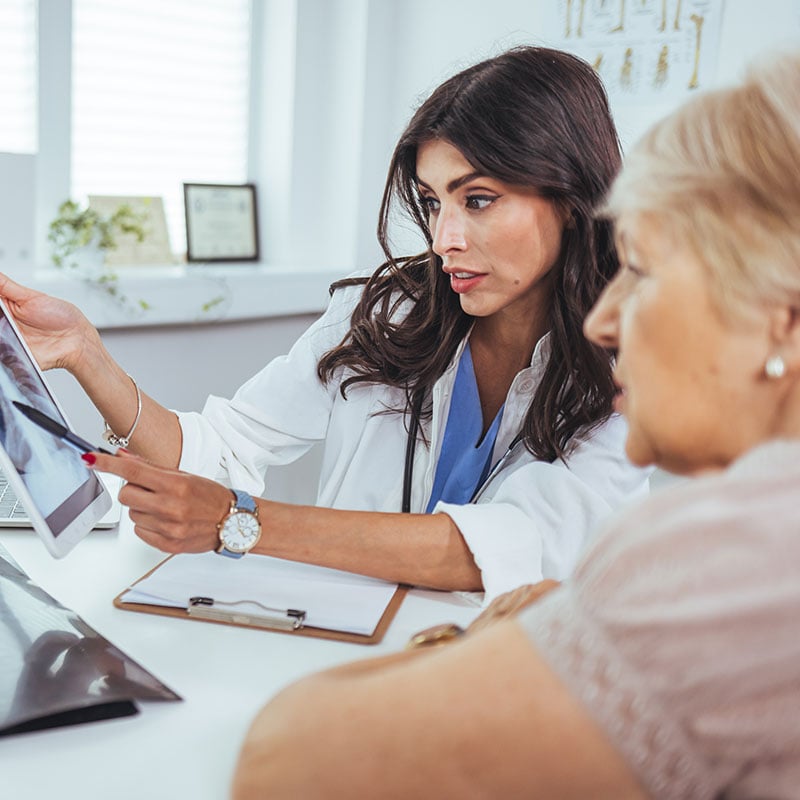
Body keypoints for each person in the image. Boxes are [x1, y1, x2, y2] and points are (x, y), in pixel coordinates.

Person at [229, 52, 800, 799]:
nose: (606, 319)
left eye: (642, 271)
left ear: (782, 318)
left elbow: (290, 760)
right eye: (433, 202)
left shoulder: (732, 555)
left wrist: (490, 644)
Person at [0, 46, 648, 597]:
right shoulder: (386, 311)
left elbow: (504, 545)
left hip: (504, 672)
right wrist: (86, 352)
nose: (444, 238)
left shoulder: (636, 366)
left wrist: (239, 522)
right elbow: (222, 450)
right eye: (431, 202)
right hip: (338, 641)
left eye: (478, 200)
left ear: (570, 199)